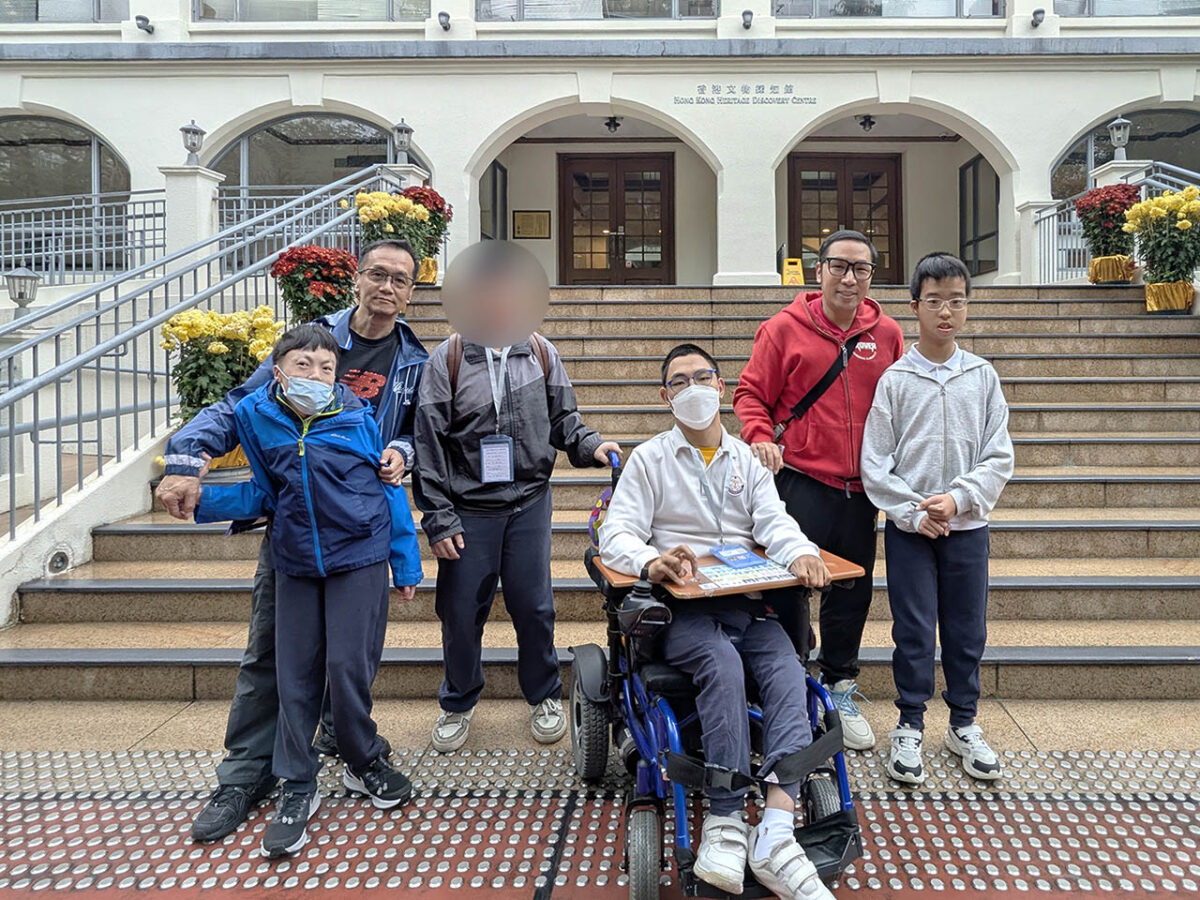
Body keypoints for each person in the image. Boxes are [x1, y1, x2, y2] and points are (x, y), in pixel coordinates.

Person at [155, 239, 428, 843]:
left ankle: (347, 749)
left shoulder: (414, 359)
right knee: (272, 655)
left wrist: (400, 454)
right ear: (357, 278)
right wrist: (188, 461)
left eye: (401, 279)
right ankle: (248, 773)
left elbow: (417, 433)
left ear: (412, 291)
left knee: (348, 660)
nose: (387, 287)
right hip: (296, 530)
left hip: (358, 532)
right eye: (377, 274)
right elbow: (238, 408)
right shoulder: (310, 342)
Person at [600, 343, 836, 900]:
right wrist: (651, 561)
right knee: (721, 662)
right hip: (681, 610)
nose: (693, 389)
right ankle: (726, 818)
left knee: (788, 669)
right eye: (680, 382)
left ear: (722, 386)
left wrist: (802, 553)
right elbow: (616, 532)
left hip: (747, 604)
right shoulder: (650, 460)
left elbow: (775, 523)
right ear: (666, 397)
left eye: (701, 377)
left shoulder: (746, 462)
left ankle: (777, 828)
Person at [412, 244, 621, 753]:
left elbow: (565, 420)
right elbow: (429, 443)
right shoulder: (448, 358)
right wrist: (438, 517)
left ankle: (543, 695)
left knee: (534, 607)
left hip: (528, 502)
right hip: (467, 510)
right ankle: (458, 700)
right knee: (461, 612)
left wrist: (592, 446)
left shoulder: (541, 352)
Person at [733, 229, 904, 752]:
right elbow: (750, 394)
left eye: (861, 269)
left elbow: (903, 404)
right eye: (839, 266)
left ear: (871, 276)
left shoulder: (887, 334)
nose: (849, 278)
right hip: (800, 481)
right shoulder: (782, 329)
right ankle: (786, 684)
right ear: (819, 270)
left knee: (851, 591)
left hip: (861, 490)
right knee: (788, 588)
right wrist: (760, 437)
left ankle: (839, 685)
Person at [860, 253, 1014, 785]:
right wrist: (912, 511)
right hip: (911, 533)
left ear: (967, 307)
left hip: (967, 528)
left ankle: (963, 723)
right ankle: (909, 723)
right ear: (914, 307)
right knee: (914, 629)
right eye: (934, 301)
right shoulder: (895, 380)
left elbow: (999, 455)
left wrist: (959, 499)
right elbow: (875, 463)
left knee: (967, 629)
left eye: (956, 301)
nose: (945, 312)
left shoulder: (982, 376)